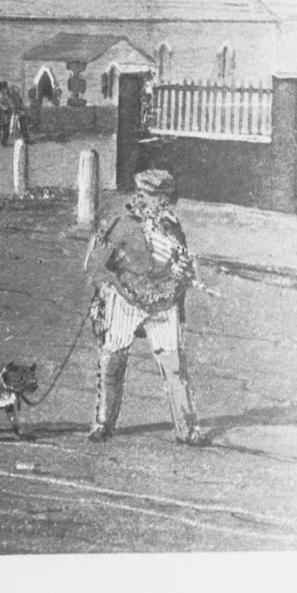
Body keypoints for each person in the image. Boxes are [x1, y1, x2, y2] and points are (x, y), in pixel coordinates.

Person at [86, 168, 207, 445]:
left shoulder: (173, 227)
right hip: (125, 301)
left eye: (164, 199)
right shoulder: (121, 224)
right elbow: (95, 265)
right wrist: (109, 292)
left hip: (163, 302)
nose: (162, 205)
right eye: (154, 198)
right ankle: (103, 423)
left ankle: (187, 430)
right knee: (113, 363)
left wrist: (184, 281)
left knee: (175, 367)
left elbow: (182, 268)